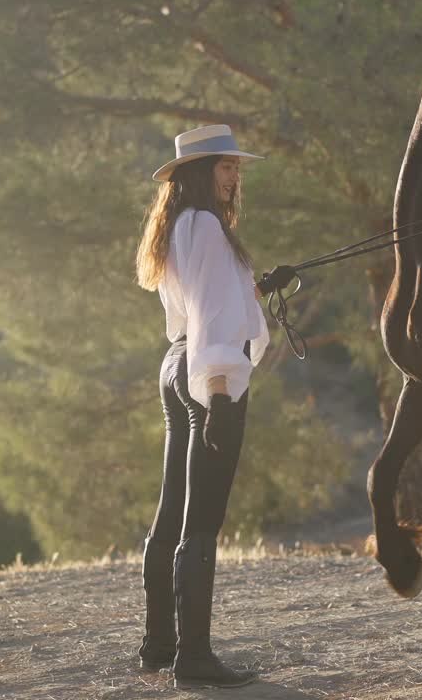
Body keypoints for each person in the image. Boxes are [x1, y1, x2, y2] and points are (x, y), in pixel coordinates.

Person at [133, 124, 269, 689]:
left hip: (176, 364)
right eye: (225, 166)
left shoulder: (179, 225)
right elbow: (214, 317)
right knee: (201, 525)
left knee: (171, 516)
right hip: (207, 376)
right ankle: (194, 659)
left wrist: (257, 286)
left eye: (236, 166)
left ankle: (159, 645)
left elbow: (207, 303)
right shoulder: (208, 227)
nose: (235, 176)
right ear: (198, 173)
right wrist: (218, 393)